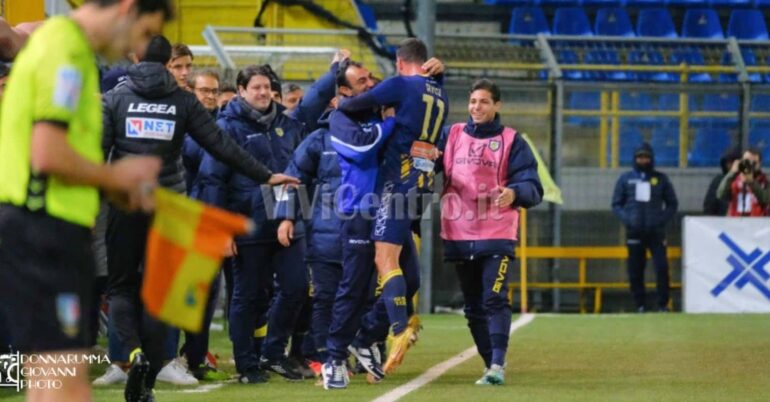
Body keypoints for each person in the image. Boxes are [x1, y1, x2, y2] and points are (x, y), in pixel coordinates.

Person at [102, 36, 298, 401]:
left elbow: (98, 151)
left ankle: (131, 355)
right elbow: (223, 146)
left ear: (135, 56)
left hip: (125, 204)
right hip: (169, 205)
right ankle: (158, 362)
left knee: (121, 286)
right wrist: (266, 175)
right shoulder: (182, 101)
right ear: (167, 64)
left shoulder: (115, 97)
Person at [0, 1, 173, 402]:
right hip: (46, 231)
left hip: (39, 228)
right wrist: (117, 175)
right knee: (66, 383)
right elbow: (47, 153)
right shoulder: (66, 50)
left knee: (49, 376)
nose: (138, 47)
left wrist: (114, 189)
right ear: (127, 9)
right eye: (144, 31)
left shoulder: (56, 44)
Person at [335, 38, 448, 374]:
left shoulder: (400, 84)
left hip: (397, 181)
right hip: (424, 182)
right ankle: (371, 335)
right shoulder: (440, 91)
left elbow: (357, 103)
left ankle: (398, 330)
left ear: (400, 63)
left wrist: (341, 99)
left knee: (384, 259)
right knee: (401, 264)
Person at [193, 64, 309, 384]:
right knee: (248, 296)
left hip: (286, 222)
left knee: (297, 286)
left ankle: (272, 353)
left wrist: (293, 216)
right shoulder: (226, 128)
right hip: (247, 223)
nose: (262, 92)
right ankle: (246, 363)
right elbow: (212, 180)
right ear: (241, 91)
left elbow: (300, 175)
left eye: (266, 87)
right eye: (254, 87)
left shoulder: (289, 126)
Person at [440, 79, 542, 385]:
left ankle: (498, 364)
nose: (476, 107)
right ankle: (490, 365)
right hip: (458, 231)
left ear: (497, 105)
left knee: (494, 297)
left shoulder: (512, 141)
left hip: (496, 231)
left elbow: (532, 185)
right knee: (472, 307)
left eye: (484, 102)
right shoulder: (452, 134)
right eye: (473, 101)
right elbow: (425, 160)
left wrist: (514, 192)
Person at [611, 143, 678, 313]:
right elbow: (616, 204)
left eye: (646, 157)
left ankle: (663, 304)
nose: (643, 160)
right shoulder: (625, 179)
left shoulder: (661, 179)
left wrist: (661, 220)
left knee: (662, 268)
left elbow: (672, 203)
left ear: (651, 158)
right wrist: (628, 220)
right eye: (640, 157)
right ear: (635, 159)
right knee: (635, 270)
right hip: (634, 232)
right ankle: (640, 304)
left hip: (656, 232)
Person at [716, 148, 769, 217]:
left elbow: (766, 199)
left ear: (759, 164)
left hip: (757, 222)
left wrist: (751, 182)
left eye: (754, 162)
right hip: (735, 221)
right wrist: (731, 173)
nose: (749, 165)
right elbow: (720, 194)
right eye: (746, 161)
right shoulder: (734, 179)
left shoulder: (764, 181)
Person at [703, 147, 741, 216]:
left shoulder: (746, 181)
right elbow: (709, 206)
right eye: (728, 162)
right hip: (721, 222)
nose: (731, 165)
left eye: (734, 162)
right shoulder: (718, 181)